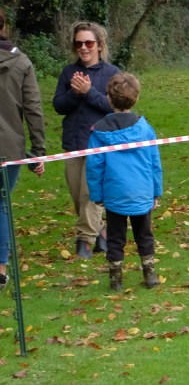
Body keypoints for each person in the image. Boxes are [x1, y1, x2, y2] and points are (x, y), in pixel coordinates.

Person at [86, 73, 163, 290]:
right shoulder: (145, 130)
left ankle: (116, 280)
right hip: (141, 192)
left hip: (114, 194)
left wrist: (97, 195)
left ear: (109, 98)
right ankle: (150, 275)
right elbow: (154, 163)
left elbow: (94, 167)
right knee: (144, 234)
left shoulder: (98, 133)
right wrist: (156, 192)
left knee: (115, 237)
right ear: (136, 98)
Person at [52, 21, 120, 259]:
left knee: (89, 195)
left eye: (88, 43)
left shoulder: (112, 73)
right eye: (78, 43)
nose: (83, 48)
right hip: (73, 143)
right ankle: (101, 234)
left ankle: (84, 242)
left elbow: (114, 106)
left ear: (99, 45)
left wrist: (89, 92)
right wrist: (75, 93)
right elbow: (58, 105)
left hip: (100, 144)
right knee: (77, 196)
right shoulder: (68, 73)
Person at [0, 7, 46, 288]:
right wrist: (38, 150)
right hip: (10, 148)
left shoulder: (22, 62)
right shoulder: (22, 63)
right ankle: (1, 267)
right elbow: (33, 109)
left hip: (9, 148)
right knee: (1, 204)